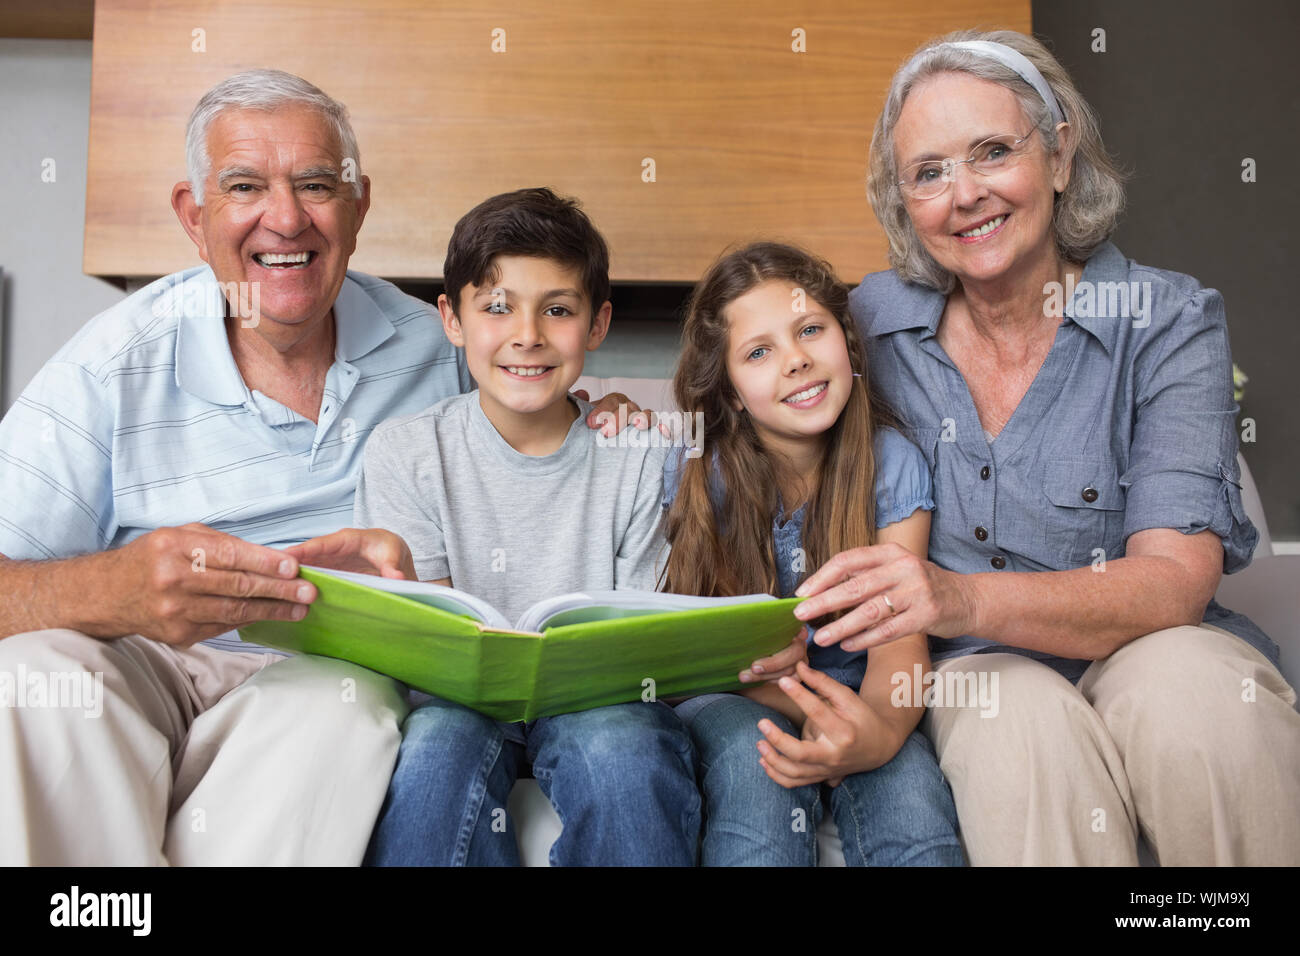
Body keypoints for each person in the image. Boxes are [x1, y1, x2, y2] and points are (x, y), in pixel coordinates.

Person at [0, 71, 633, 865]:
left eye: (315, 184)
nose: (286, 217)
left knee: (344, 705)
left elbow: (534, 395)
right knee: (30, 676)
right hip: (140, 661)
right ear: (195, 218)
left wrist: (606, 421)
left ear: (359, 205)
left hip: (311, 679)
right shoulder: (108, 363)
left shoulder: (435, 344)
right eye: (244, 186)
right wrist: (114, 587)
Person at [790, 30, 1300, 865]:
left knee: (1204, 700)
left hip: (1149, 642)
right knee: (1015, 726)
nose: (965, 195)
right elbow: (750, 398)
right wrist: (609, 412)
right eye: (929, 173)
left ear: (1059, 154)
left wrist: (959, 597)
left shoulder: (1168, 321)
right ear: (904, 201)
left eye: (992, 151)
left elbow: (1173, 581)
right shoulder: (868, 323)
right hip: (976, 671)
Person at [294, 187, 713, 865]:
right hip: (457, 700)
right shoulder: (408, 451)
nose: (528, 335)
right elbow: (433, 641)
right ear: (451, 320)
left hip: (598, 697)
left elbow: (639, 642)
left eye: (558, 310)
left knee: (625, 755)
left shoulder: (638, 452)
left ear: (597, 323)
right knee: (433, 761)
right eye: (496, 307)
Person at [659, 241, 963, 866]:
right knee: (758, 773)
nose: (796, 361)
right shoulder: (701, 474)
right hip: (734, 697)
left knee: (912, 804)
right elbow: (682, 652)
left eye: (810, 330)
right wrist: (788, 696)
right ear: (734, 392)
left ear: (849, 347)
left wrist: (871, 734)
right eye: (760, 352)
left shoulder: (892, 466)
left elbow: (901, 644)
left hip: (862, 692)